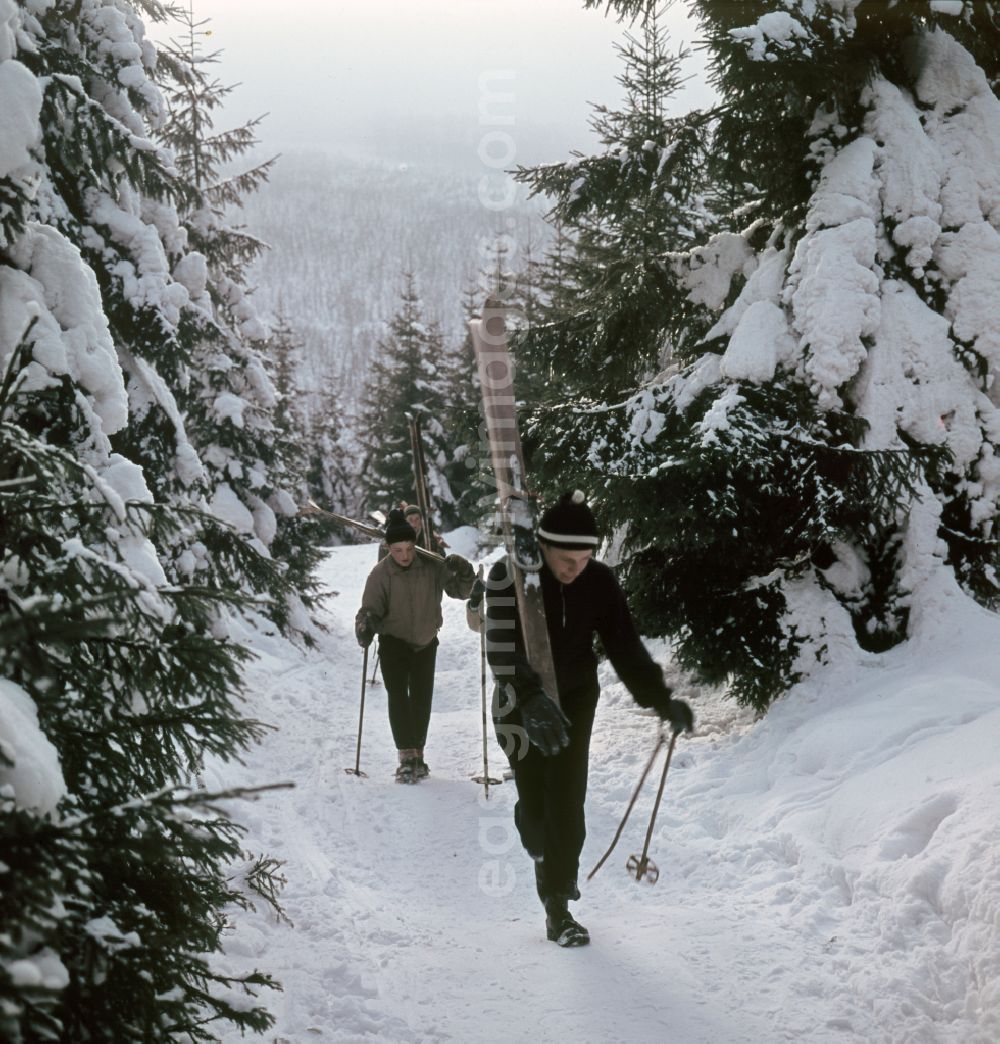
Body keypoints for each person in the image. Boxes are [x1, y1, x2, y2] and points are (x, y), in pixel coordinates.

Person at [484, 490, 693, 947]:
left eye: (584, 557)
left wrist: (661, 699)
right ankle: (532, 827)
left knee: (568, 800)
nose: (575, 567)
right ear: (543, 546)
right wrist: (527, 694)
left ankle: (557, 904)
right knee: (537, 804)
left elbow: (624, 645)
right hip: (519, 706)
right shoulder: (509, 576)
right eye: (566, 557)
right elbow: (498, 645)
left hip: (575, 699)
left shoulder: (598, 581)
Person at [355, 509, 475, 783]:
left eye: (409, 549)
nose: (405, 556)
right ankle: (406, 756)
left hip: (425, 641)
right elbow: (368, 609)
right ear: (388, 548)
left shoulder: (432, 566)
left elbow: (460, 591)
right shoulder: (380, 574)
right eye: (398, 550)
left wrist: (465, 572)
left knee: (422, 698)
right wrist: (366, 626)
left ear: (415, 545)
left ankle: (418, 754)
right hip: (393, 642)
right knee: (398, 695)